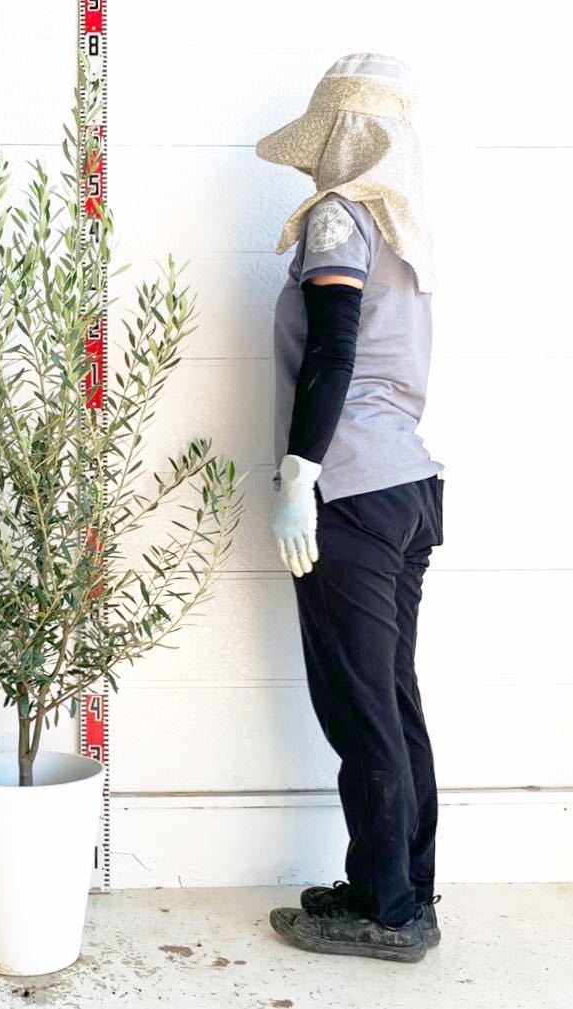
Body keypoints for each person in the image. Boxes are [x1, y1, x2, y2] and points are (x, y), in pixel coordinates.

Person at [256, 53, 445, 963]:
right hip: (407, 487)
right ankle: (401, 888)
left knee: (360, 708)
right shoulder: (402, 230)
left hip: (351, 492)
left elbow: (333, 347)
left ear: (340, 136)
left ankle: (383, 911)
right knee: (393, 701)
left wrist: (298, 474)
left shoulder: (338, 216)